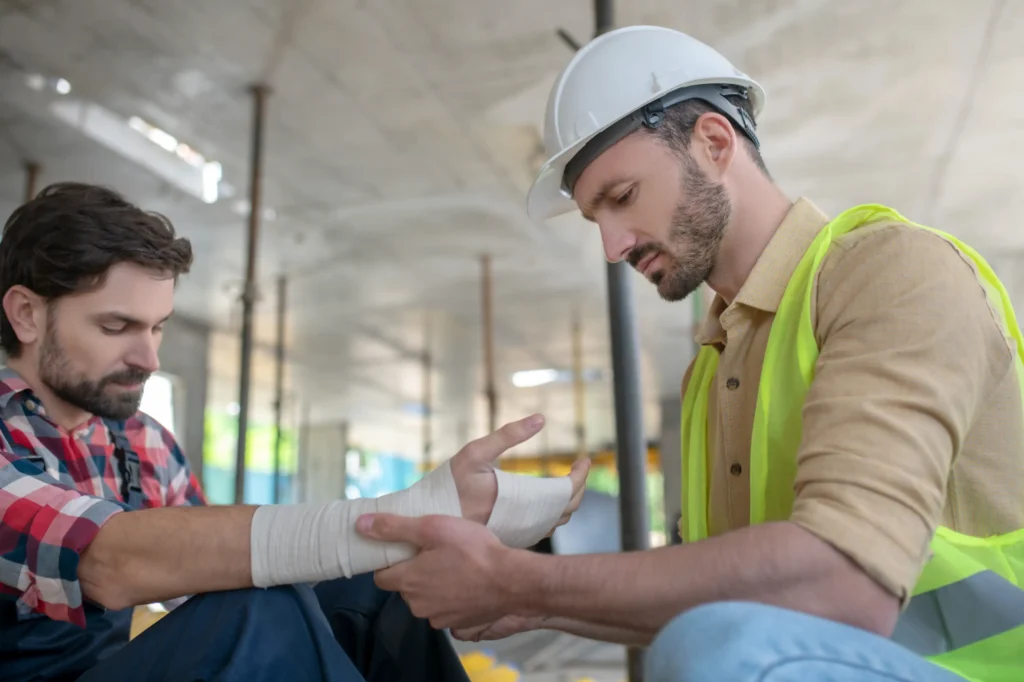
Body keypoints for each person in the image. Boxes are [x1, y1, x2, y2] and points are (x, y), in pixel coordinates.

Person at [353, 25, 1024, 682]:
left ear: (712, 142)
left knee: (712, 648)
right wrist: (522, 603)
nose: (612, 247)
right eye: (596, 220)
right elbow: (727, 600)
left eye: (621, 198)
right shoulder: (711, 370)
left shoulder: (891, 271)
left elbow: (845, 583)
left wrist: (518, 580)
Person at [0, 182, 590, 682]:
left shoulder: (141, 442)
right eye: (116, 326)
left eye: (158, 328)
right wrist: (409, 510)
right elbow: (111, 560)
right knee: (259, 612)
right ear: (27, 314)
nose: (149, 357)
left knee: (372, 586)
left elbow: (206, 567)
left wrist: (427, 530)